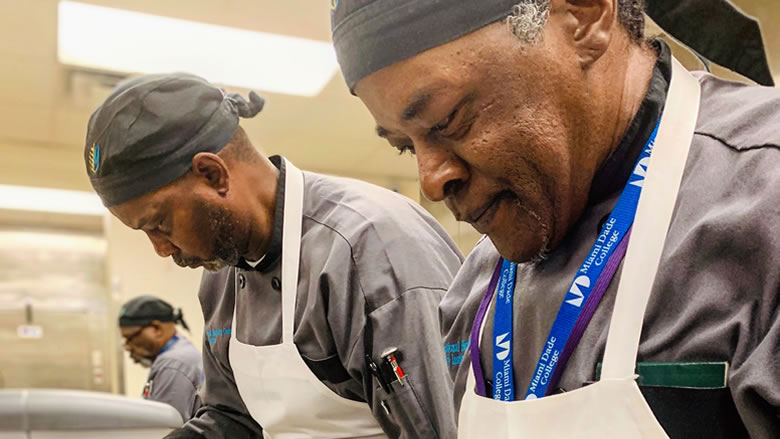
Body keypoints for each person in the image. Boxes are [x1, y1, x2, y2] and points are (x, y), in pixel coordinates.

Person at [331, 0, 780, 437]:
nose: (430, 182)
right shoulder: (473, 294)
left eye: (449, 120)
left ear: (584, 18)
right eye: (405, 147)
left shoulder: (764, 199)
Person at [84, 73, 463, 438]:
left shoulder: (370, 245)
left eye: (160, 224)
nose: (161, 249)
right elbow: (233, 417)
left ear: (212, 174)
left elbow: (444, 426)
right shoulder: (222, 274)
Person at [119, 295, 203, 421]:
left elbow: (163, 429)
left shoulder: (173, 364)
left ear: (156, 329)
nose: (127, 346)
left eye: (130, 338)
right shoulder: (178, 351)